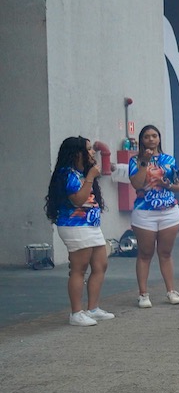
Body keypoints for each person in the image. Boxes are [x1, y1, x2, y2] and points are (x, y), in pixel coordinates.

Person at [45, 136, 114, 326]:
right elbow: (78, 200)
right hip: (75, 225)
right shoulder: (67, 174)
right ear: (76, 153)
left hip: (91, 225)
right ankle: (76, 313)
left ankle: (93, 308)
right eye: (89, 149)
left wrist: (89, 175)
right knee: (79, 268)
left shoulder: (80, 172)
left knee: (100, 265)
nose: (92, 152)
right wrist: (90, 177)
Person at [129, 125, 179, 308]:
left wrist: (167, 185)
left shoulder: (169, 159)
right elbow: (137, 184)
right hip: (145, 212)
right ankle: (143, 294)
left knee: (166, 253)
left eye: (154, 136)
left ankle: (171, 291)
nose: (151, 139)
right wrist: (144, 162)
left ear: (159, 138)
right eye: (147, 136)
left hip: (169, 211)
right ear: (141, 140)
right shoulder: (135, 161)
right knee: (145, 253)